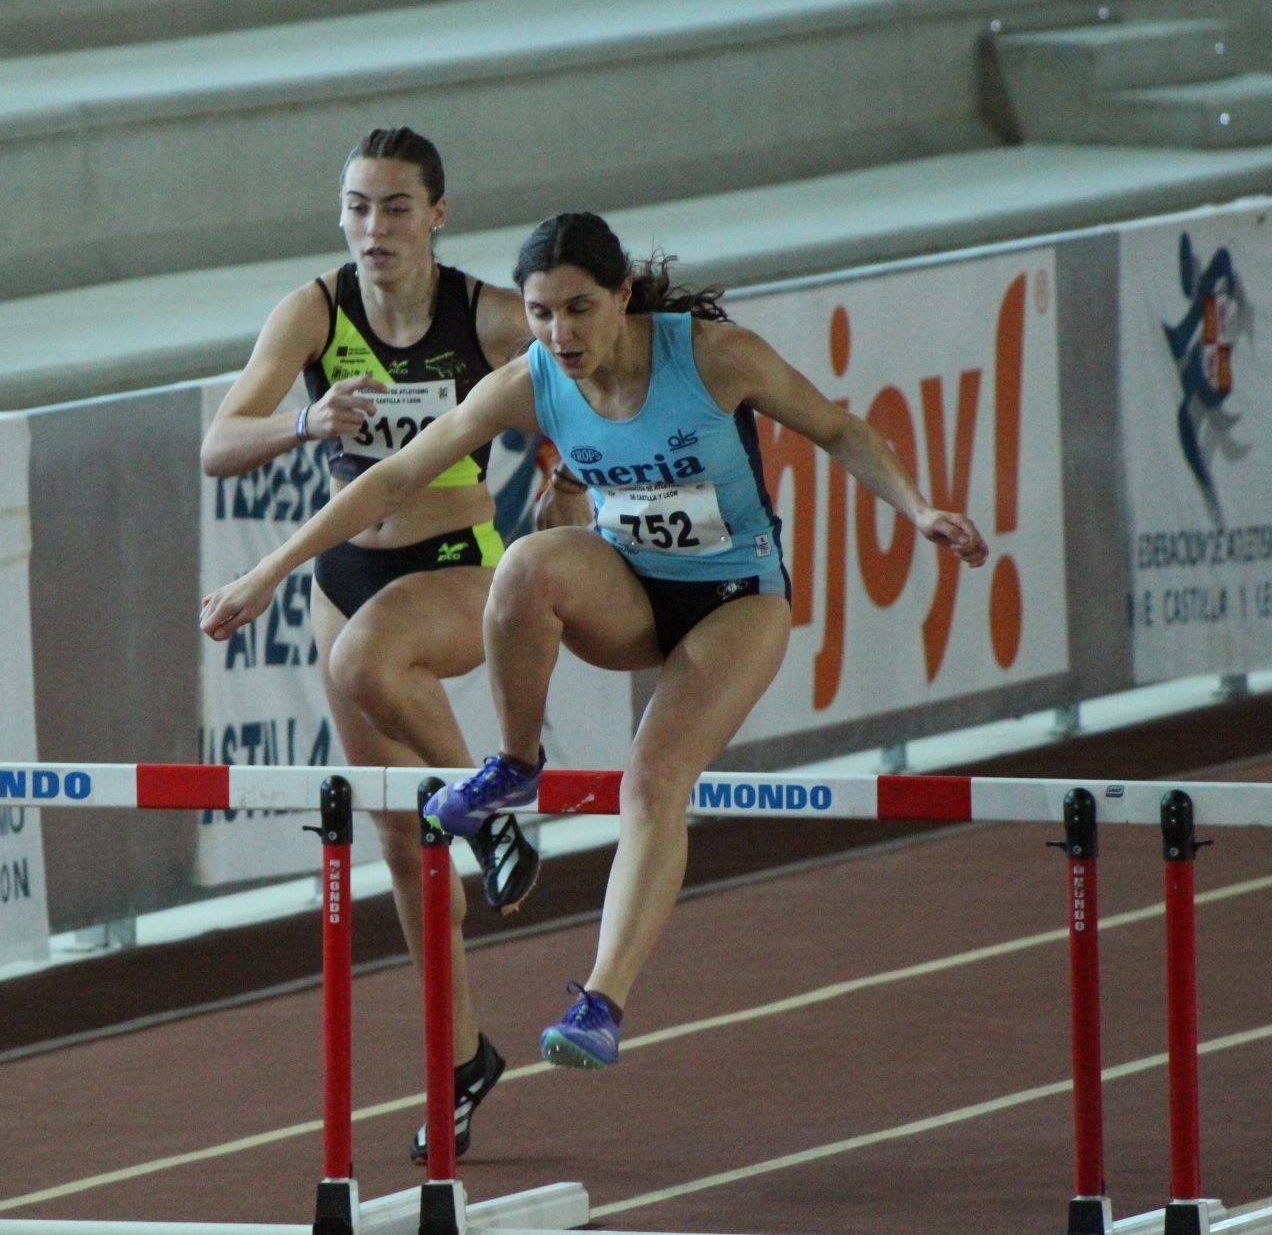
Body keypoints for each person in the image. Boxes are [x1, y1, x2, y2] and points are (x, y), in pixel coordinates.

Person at [202, 210, 988, 1072]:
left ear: (622, 297)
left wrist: (918, 508)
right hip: (630, 594)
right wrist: (268, 572)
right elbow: (395, 475)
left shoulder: (713, 356)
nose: (558, 334)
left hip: (735, 600)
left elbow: (838, 428)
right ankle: (514, 764)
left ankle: (601, 1002)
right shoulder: (535, 379)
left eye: (578, 310)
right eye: (540, 314)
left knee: (652, 780)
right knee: (527, 565)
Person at [199, 127, 541, 1160]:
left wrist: (566, 486)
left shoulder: (481, 314)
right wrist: (307, 427)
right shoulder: (314, 310)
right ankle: (461, 1058)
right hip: (349, 573)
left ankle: (492, 805)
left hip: (460, 563)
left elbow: (573, 389)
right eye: (356, 206)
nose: (372, 227)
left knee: (367, 663)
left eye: (395, 207)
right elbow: (219, 444)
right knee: (399, 840)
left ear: (438, 212)